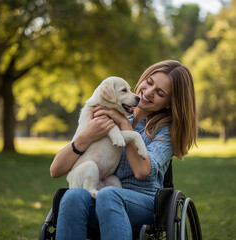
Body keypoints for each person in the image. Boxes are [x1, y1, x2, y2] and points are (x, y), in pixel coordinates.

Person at [49, 60, 198, 240]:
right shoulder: (110, 109)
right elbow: (55, 170)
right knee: (73, 195)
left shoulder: (166, 130)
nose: (148, 92)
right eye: (149, 82)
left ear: (169, 103)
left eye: (160, 93)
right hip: (99, 194)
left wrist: (122, 122)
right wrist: (86, 136)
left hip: (142, 204)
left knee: (109, 195)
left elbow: (142, 171)